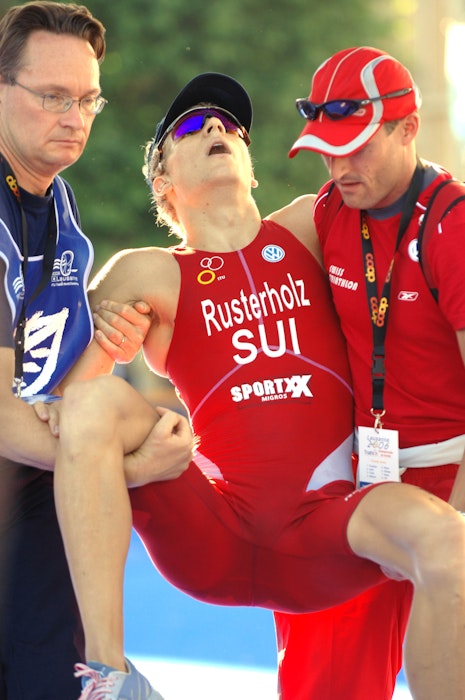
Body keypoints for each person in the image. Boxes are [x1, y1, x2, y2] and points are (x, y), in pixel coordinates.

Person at [38, 71, 465, 700]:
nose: (217, 126)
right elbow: (62, 409)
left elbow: (403, 188)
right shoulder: (146, 272)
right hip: (215, 530)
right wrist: (105, 348)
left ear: (254, 171)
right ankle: (108, 674)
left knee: (450, 540)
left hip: (330, 529)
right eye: (191, 126)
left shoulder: (310, 226)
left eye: (232, 126)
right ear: (163, 181)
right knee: (99, 401)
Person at [0, 4, 192, 699]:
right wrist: (126, 468)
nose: (74, 117)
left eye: (87, 100)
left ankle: (103, 672)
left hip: (28, 493)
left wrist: (106, 343)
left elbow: (57, 395)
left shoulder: (58, 207)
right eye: (53, 96)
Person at [273, 45, 465, 700]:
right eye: (325, 150)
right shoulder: (329, 209)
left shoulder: (452, 228)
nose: (338, 166)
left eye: (355, 148)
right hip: (363, 479)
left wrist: (454, 532)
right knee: (323, 679)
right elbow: (222, 257)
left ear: (408, 129)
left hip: (450, 476)